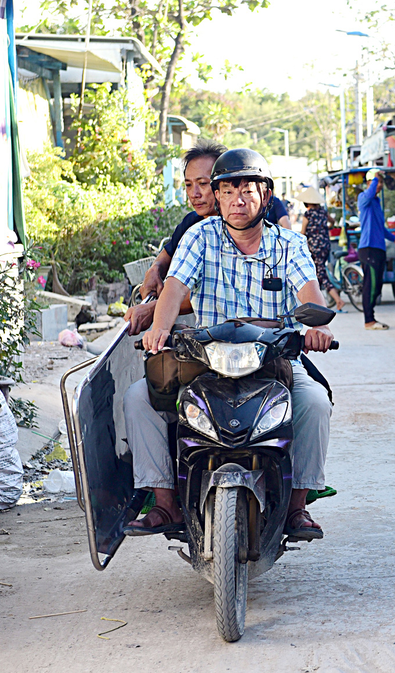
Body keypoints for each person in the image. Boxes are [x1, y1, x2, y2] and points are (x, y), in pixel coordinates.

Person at [128, 148, 335, 539]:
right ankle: (165, 503)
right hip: (204, 359)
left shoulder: (289, 245)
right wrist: (159, 327)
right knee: (139, 398)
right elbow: (174, 290)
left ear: (266, 197)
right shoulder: (199, 237)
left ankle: (297, 507)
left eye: (247, 190)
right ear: (218, 197)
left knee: (315, 402)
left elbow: (311, 297)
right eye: (226, 191)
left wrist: (315, 328)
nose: (237, 200)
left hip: (275, 359)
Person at [127, 141, 291, 333]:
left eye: (202, 184)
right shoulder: (193, 226)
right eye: (188, 185)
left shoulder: (258, 225)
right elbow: (166, 262)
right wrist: (154, 271)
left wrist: (154, 309)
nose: (194, 194)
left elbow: (211, 290)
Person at [357, 168, 395, 330]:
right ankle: (369, 320)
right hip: (368, 248)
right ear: (369, 183)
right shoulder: (363, 198)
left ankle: (371, 318)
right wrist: (375, 178)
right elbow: (368, 193)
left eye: (381, 182)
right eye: (376, 182)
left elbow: (382, 228)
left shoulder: (377, 203)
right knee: (370, 285)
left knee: (378, 285)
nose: (379, 185)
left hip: (379, 248)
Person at [297, 186, 345, 312]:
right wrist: (325, 229)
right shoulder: (323, 212)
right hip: (325, 245)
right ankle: (318, 301)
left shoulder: (308, 214)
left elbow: (302, 233)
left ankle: (338, 300)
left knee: (320, 273)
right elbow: (333, 221)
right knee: (319, 271)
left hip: (314, 247)